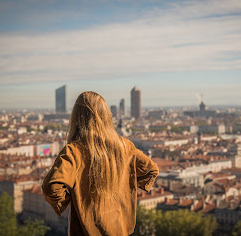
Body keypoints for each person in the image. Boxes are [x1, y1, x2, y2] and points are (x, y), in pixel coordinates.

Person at [42, 91, 159, 236]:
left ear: (77, 118)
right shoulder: (125, 146)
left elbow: (50, 188)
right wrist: (126, 187)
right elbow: (151, 170)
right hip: (120, 230)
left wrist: (74, 199)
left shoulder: (73, 152)